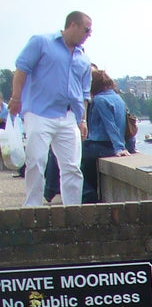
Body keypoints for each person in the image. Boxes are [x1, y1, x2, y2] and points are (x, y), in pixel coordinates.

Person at [9, 11, 92, 207]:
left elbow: (84, 93)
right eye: (86, 29)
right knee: (36, 161)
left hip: (68, 116)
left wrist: (83, 120)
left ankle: (73, 209)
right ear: (72, 25)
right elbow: (22, 68)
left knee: (72, 166)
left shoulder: (84, 58)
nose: (89, 34)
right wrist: (16, 97)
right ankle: (33, 207)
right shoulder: (41, 42)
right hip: (39, 112)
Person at [81, 68, 128, 203]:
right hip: (111, 145)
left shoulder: (100, 100)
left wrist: (119, 148)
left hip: (99, 145)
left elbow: (110, 125)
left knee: (68, 158)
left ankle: (87, 195)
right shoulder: (118, 98)